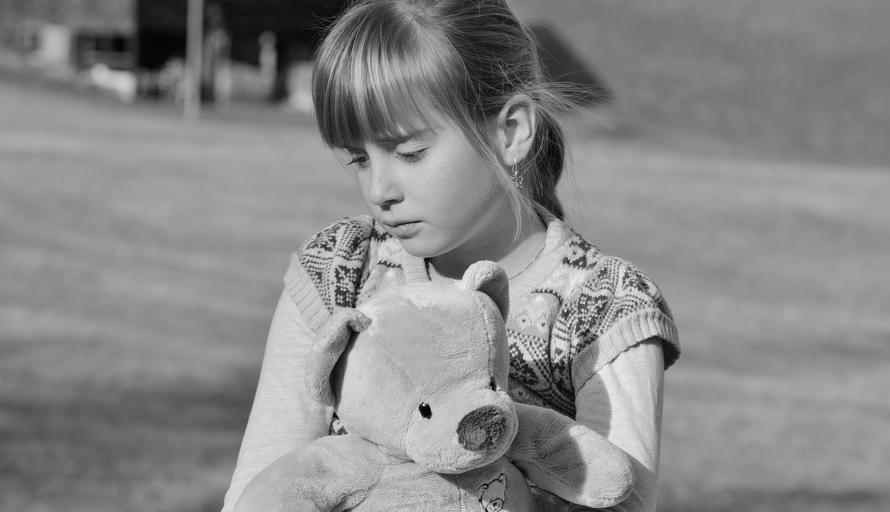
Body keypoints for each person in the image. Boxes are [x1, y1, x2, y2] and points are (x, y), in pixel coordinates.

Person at [221, 1, 680, 511]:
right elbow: (260, 487)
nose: (379, 189)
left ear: (510, 132)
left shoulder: (606, 307)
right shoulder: (338, 269)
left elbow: (616, 496)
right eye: (359, 158)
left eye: (409, 152)